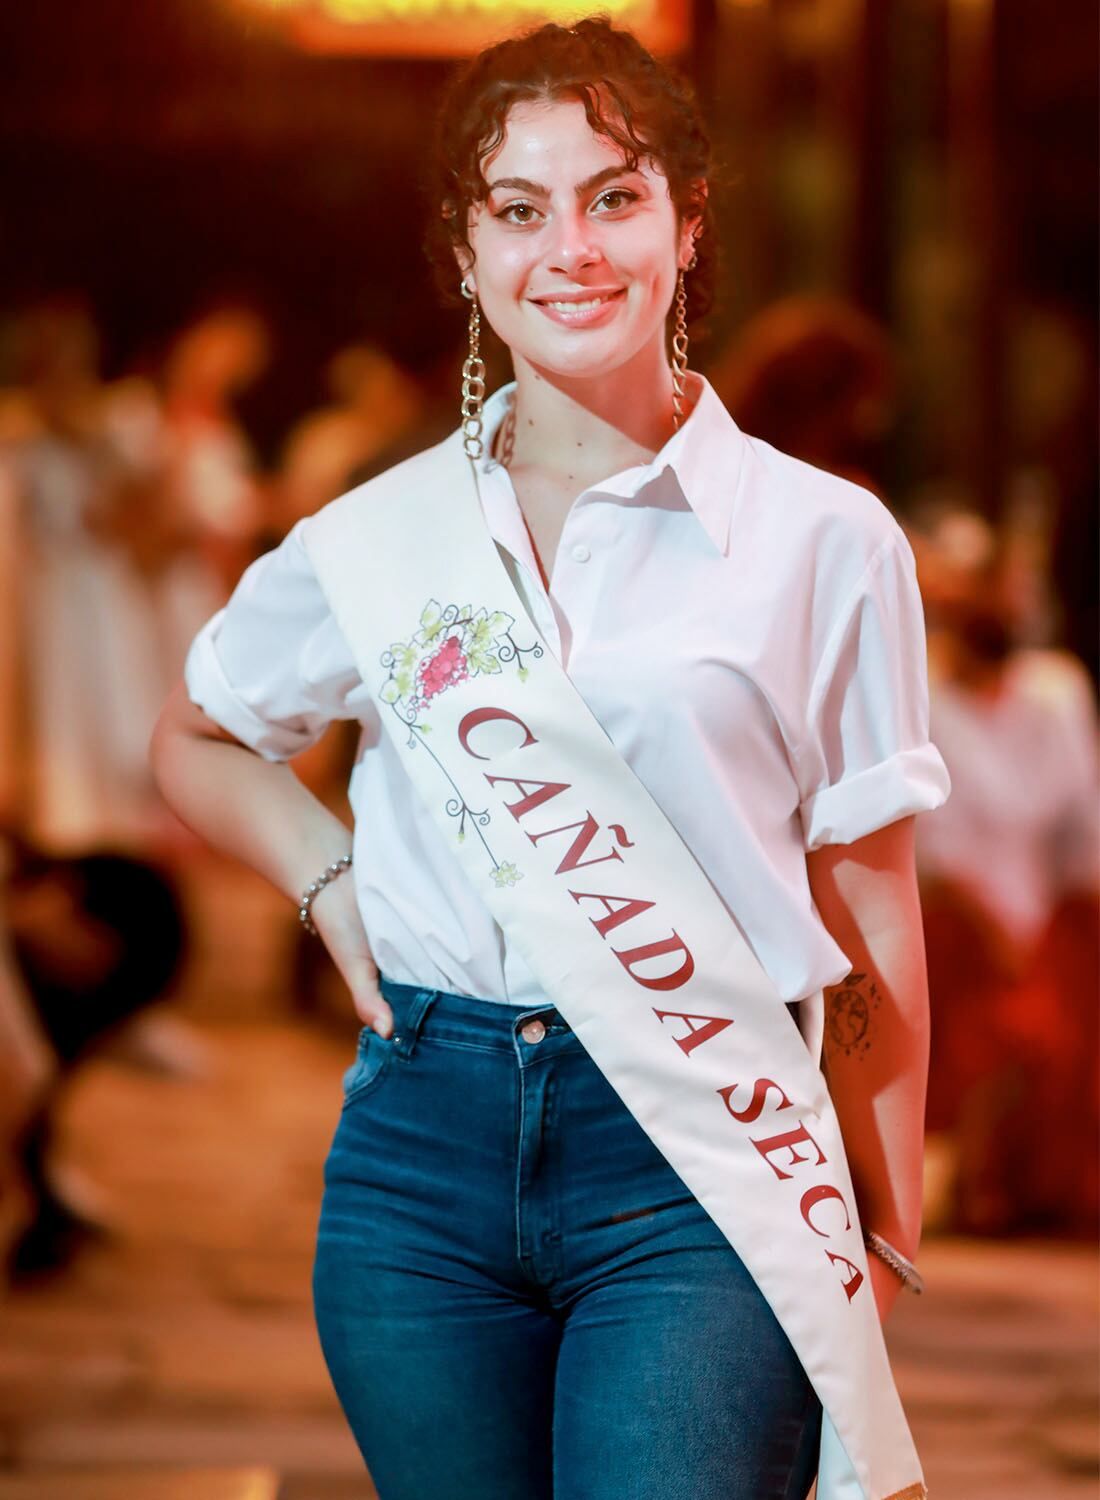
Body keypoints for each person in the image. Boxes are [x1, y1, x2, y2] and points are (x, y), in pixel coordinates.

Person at [151, 19, 950, 1499]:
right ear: (466, 253)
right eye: (518, 210)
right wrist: (328, 883)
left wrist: (884, 1225)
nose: (568, 249)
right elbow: (199, 739)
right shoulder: (379, 541)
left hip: (705, 1164)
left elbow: (873, 903)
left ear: (687, 227)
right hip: (422, 1151)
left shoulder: (822, 540)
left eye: (614, 198)